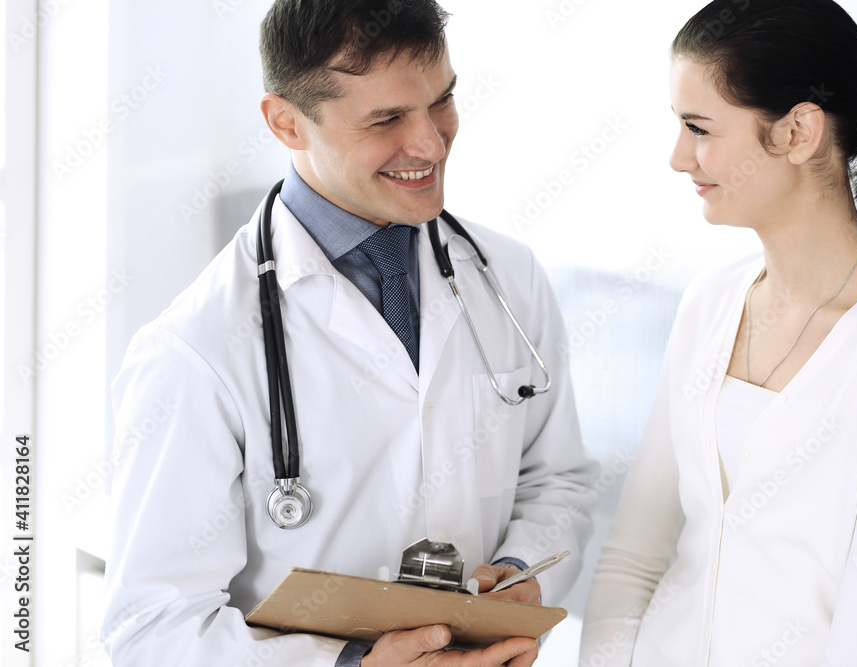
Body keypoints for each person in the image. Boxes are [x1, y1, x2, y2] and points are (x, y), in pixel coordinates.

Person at [101, 1, 597, 665]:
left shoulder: (508, 276)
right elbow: (151, 628)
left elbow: (557, 479)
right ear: (286, 123)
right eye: (387, 119)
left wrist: (516, 572)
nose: (431, 142)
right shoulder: (195, 348)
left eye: (442, 100)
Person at [580, 1, 857, 665]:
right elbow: (631, 557)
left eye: (699, 127)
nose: (680, 157)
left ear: (798, 131)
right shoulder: (710, 301)